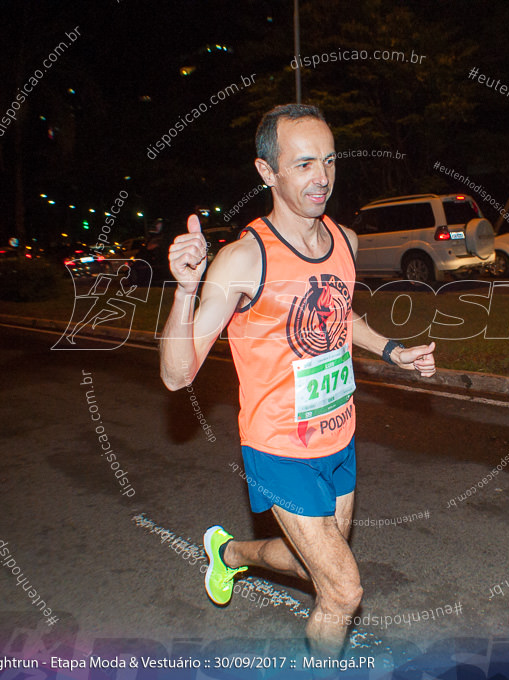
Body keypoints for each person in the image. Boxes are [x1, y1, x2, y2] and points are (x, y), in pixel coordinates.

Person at [158, 103, 437, 659]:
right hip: (279, 445)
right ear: (268, 173)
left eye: (329, 162)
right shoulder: (243, 260)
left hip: (338, 434)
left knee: (316, 555)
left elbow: (339, 315)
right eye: (304, 164)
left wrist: (392, 350)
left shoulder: (345, 241)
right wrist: (186, 290)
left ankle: (231, 554)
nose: (322, 178)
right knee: (343, 589)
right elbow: (176, 375)